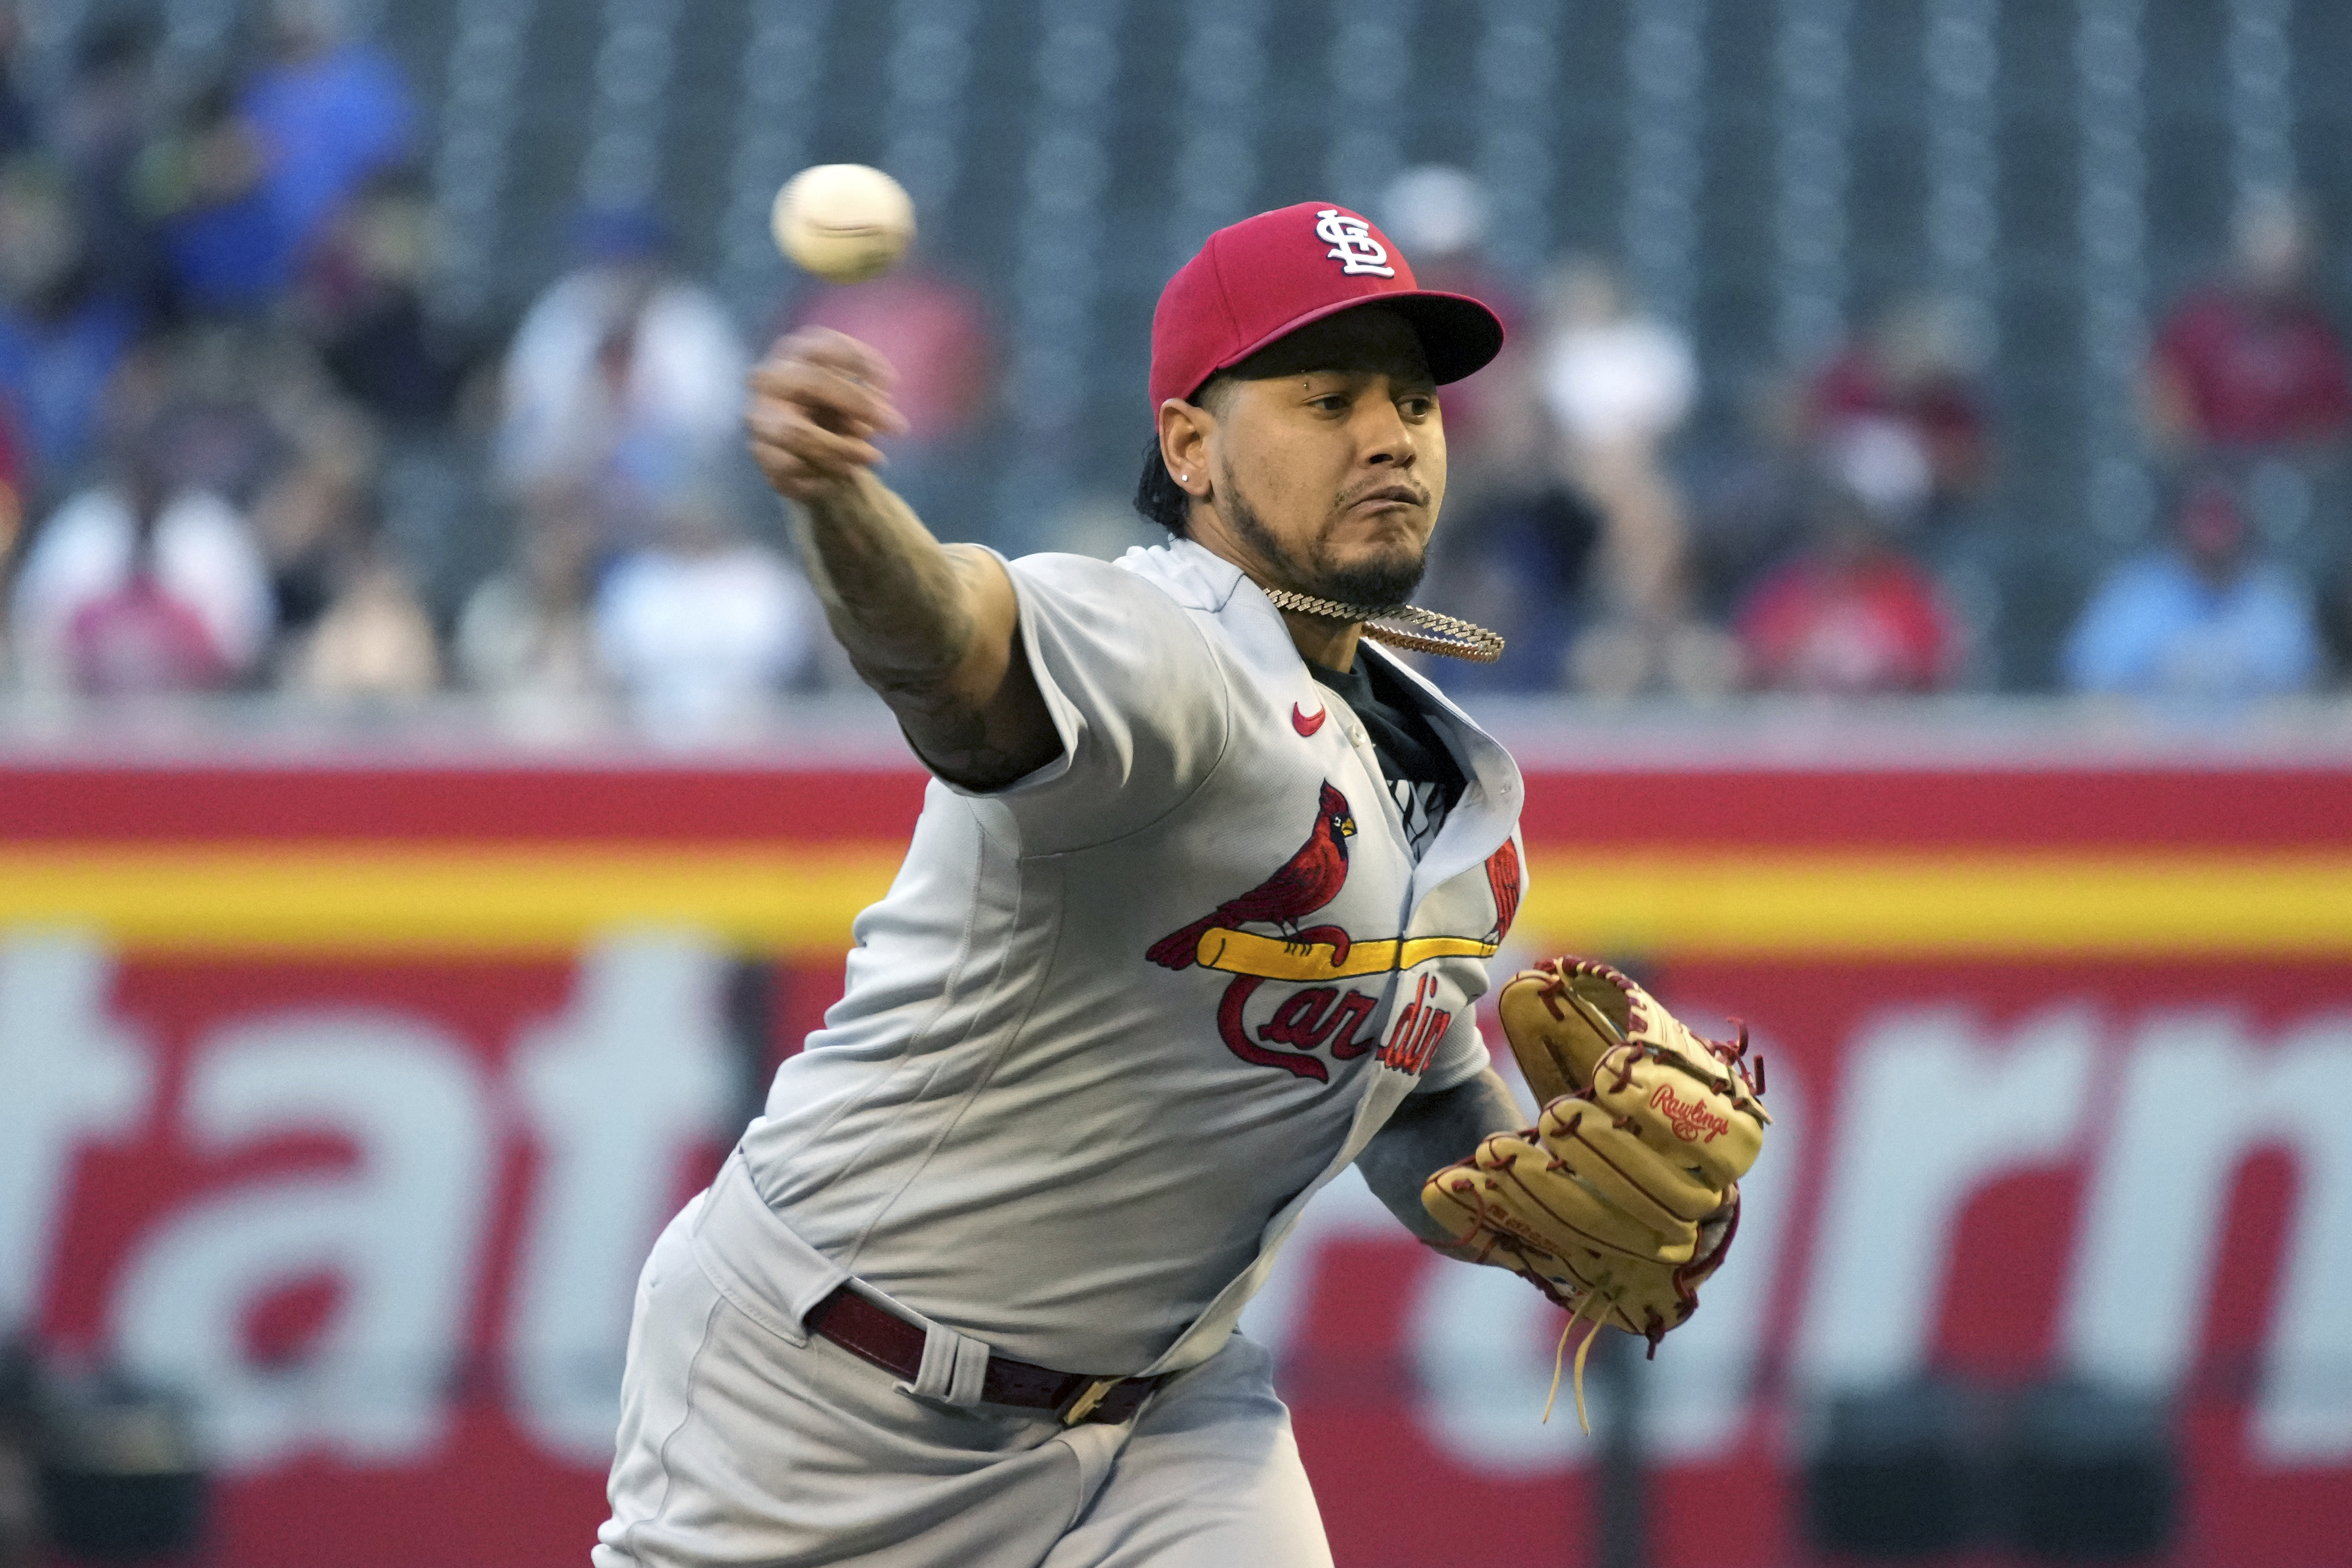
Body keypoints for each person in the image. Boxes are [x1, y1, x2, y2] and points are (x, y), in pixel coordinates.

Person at [596, 204, 1556, 1566]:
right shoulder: (1161, 650)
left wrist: (1532, 1202)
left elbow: (1420, 1092)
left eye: (1414, 400)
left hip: (1171, 1420)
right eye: (1329, 397)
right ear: (1190, 446)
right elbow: (951, 649)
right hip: (826, 1400)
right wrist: (842, 506)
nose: (1392, 435)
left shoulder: (1440, 780)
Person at [2063, 475, 2321, 698]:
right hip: (2155, 752)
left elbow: (2302, 694)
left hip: (2254, 754)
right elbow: (2090, 683)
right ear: (2179, 523)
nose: (2214, 535)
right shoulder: (2135, 593)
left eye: (2223, 519)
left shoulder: (2273, 597)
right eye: (2205, 519)